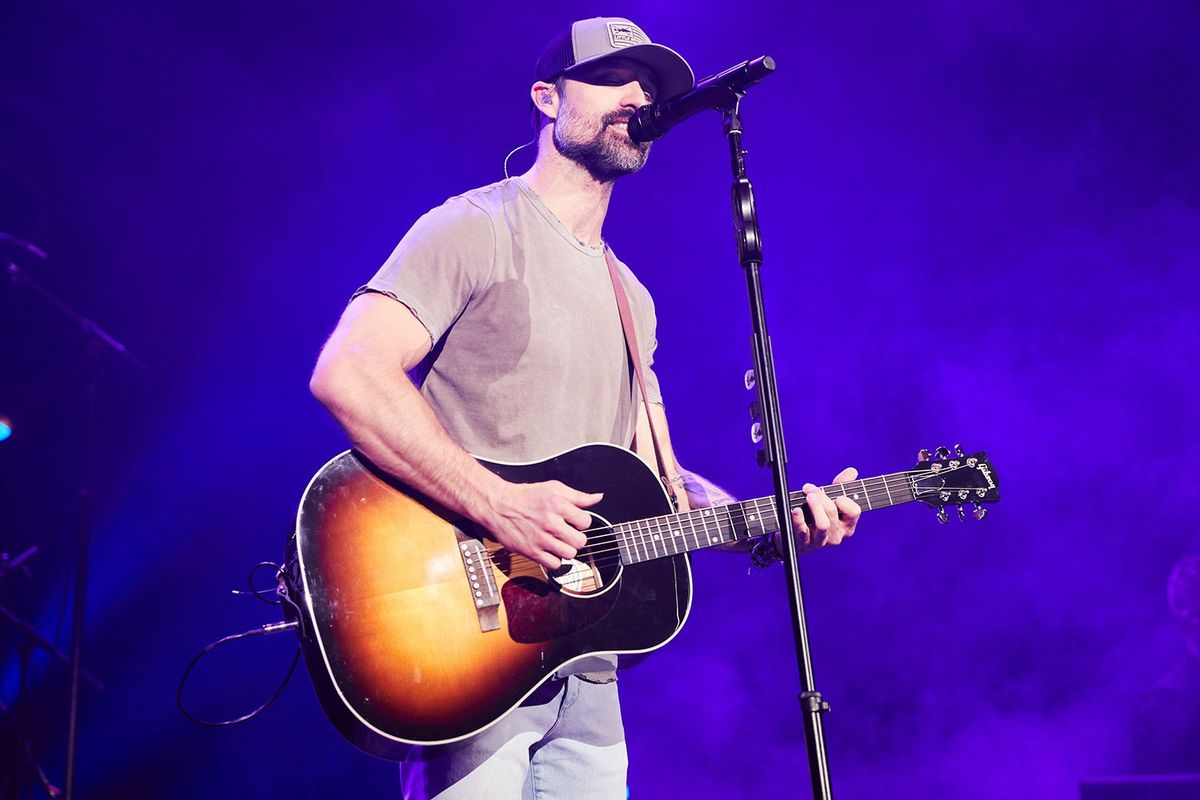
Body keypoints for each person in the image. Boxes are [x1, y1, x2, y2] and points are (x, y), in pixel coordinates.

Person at [309, 16, 862, 800]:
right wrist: (497, 502)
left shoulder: (632, 296)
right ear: (546, 98)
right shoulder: (474, 227)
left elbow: (665, 486)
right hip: (471, 641)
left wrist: (771, 521)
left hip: (587, 669)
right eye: (609, 77)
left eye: (649, 85)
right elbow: (349, 372)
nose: (637, 95)